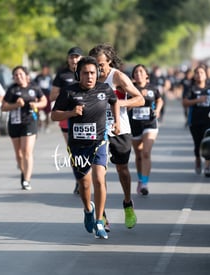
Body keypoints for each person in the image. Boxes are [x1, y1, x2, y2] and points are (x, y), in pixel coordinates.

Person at [51, 56, 120, 239]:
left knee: (99, 178)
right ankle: (88, 209)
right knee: (85, 183)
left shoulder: (104, 89)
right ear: (78, 74)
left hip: (99, 141)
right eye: (85, 73)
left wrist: (117, 122)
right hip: (77, 145)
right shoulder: (69, 92)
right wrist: (71, 113)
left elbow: (115, 102)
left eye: (92, 73)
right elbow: (54, 116)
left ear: (97, 73)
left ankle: (99, 221)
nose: (89, 77)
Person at [89, 43, 144, 230]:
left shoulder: (118, 77)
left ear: (109, 62)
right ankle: (102, 215)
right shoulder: (89, 78)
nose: (98, 69)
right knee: (99, 173)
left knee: (122, 169)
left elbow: (140, 98)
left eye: (101, 64)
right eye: (95, 65)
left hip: (120, 130)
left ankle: (128, 203)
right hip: (97, 131)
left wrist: (119, 103)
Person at [2, 66, 47, 191]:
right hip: (15, 122)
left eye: (20, 74)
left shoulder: (34, 87)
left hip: (30, 121)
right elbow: (3, 107)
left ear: (26, 75)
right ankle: (23, 171)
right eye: (15, 75)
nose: (18, 77)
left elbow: (44, 101)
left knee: (27, 151)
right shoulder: (12, 89)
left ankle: (26, 179)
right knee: (19, 154)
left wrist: (36, 104)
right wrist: (16, 105)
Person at [50, 46, 83, 194]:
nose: (74, 59)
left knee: (86, 148)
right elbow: (52, 96)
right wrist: (67, 96)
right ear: (68, 59)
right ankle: (78, 179)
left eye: (77, 57)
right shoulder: (62, 75)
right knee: (73, 148)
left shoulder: (87, 72)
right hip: (67, 115)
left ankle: (86, 177)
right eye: (72, 57)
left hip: (86, 115)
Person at [128, 64, 164, 196]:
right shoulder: (129, 89)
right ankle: (140, 178)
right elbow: (125, 107)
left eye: (141, 71)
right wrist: (136, 99)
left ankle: (144, 183)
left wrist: (158, 110)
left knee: (146, 153)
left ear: (146, 75)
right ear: (133, 76)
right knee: (138, 155)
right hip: (134, 124)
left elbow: (160, 100)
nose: (138, 74)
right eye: (136, 72)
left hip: (150, 123)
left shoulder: (152, 88)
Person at [182, 65, 210, 177]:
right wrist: (198, 100)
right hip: (195, 120)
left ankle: (207, 167)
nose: (199, 75)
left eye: (202, 73)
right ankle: (198, 159)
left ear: (206, 75)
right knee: (198, 144)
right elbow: (184, 102)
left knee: (207, 143)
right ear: (194, 75)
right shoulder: (191, 88)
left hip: (208, 120)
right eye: (197, 73)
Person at [33, 64, 52, 132]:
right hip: (39, 96)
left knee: (47, 112)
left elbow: (51, 86)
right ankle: (39, 124)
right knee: (37, 111)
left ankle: (47, 126)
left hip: (47, 95)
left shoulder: (49, 77)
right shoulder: (38, 77)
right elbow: (34, 85)